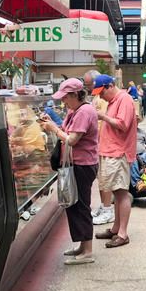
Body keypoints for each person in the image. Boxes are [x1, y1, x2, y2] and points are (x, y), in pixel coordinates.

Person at [41, 78, 99, 265]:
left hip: (83, 165)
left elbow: (72, 139)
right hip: (76, 164)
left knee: (81, 206)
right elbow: (66, 132)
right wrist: (52, 124)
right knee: (74, 205)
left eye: (65, 97)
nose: (63, 101)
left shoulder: (84, 112)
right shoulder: (75, 111)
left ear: (75, 94)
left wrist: (53, 130)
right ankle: (83, 246)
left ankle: (87, 251)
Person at [92, 75, 137, 248]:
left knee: (121, 193)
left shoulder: (124, 99)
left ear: (110, 86)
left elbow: (123, 125)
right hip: (111, 152)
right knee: (116, 194)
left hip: (119, 153)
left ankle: (123, 234)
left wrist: (102, 116)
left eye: (101, 92)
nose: (100, 96)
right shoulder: (112, 101)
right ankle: (116, 228)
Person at [85, 70, 113, 226]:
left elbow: (102, 120)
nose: (88, 87)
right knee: (101, 179)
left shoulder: (102, 99)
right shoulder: (97, 96)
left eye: (89, 84)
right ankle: (104, 207)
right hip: (98, 143)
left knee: (105, 178)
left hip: (103, 142)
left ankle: (108, 210)